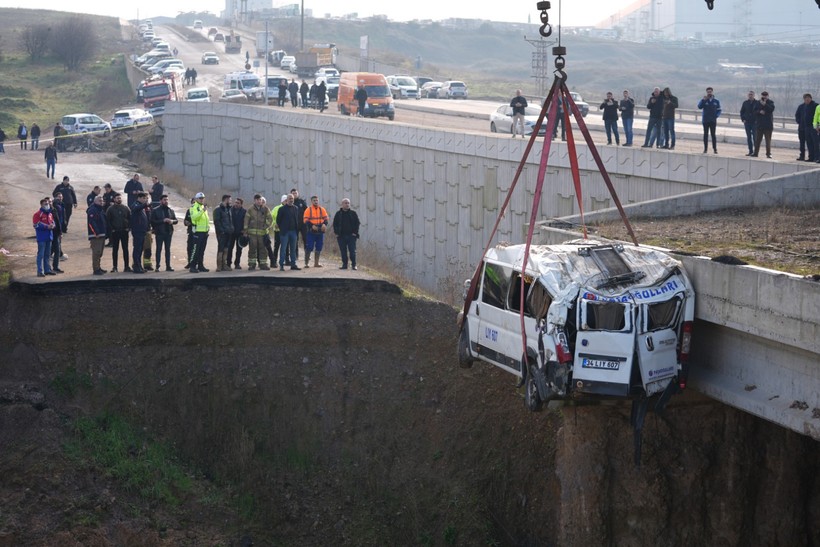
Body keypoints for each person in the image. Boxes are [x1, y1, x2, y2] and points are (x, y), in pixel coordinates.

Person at [242, 193, 272, 271]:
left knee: (263, 250)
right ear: (254, 200)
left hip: (262, 234)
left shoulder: (265, 209)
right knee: (252, 250)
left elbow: (270, 219)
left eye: (260, 200)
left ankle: (263, 264)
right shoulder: (250, 209)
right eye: (258, 200)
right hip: (252, 235)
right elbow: (246, 220)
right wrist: (245, 231)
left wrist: (265, 226)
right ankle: (252, 265)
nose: (259, 201)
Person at [150, 194, 178, 271]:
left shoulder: (170, 210)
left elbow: (176, 221)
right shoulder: (155, 210)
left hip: (168, 232)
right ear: (161, 201)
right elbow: (152, 221)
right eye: (164, 200)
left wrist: (172, 221)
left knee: (168, 250)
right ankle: (157, 266)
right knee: (159, 249)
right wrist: (162, 221)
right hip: (159, 233)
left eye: (167, 200)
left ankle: (168, 266)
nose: (166, 201)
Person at [332, 198, 360, 270]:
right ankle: (345, 265)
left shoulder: (353, 213)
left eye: (348, 203)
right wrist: (336, 233)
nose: (347, 204)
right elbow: (335, 224)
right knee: (343, 251)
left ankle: (354, 265)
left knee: (352, 251)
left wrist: (355, 233)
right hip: (341, 236)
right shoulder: (338, 214)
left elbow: (357, 223)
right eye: (345, 203)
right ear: (342, 204)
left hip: (351, 236)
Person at [106, 193, 131, 272]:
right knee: (115, 250)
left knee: (125, 249)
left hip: (124, 231)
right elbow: (108, 221)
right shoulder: (110, 209)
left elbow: (130, 218)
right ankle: (115, 267)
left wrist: (128, 228)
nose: (119, 199)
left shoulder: (126, 208)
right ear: (114, 199)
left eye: (120, 198)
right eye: (117, 198)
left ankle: (126, 266)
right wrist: (111, 229)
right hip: (115, 232)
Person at [276, 194, 301, 271]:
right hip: (285, 232)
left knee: (293, 249)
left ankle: (293, 264)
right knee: (283, 249)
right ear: (287, 200)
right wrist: (282, 229)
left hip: (293, 232)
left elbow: (297, 219)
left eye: (292, 198)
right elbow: (278, 220)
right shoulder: (282, 209)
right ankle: (281, 265)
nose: (291, 200)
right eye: (290, 198)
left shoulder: (296, 208)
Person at [33, 197, 56, 277]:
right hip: (42, 238)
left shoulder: (50, 214)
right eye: (45, 204)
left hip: (49, 237)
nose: (47, 205)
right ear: (41, 205)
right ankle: (39, 271)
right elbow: (36, 225)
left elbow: (53, 222)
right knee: (41, 255)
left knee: (47, 255)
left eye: (47, 204)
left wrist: (53, 226)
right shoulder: (37, 214)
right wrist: (47, 227)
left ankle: (47, 270)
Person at [303, 195, 329, 268]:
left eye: (317, 200)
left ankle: (316, 263)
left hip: (320, 231)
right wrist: (311, 226)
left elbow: (326, 218)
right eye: (314, 200)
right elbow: (305, 220)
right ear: (311, 201)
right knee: (309, 247)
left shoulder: (322, 209)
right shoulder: (308, 210)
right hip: (311, 232)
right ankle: (306, 263)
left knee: (319, 246)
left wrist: (325, 224)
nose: (316, 202)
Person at [129, 192, 151, 274]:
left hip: (142, 231)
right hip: (137, 231)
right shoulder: (136, 205)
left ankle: (139, 266)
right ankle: (136, 267)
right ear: (140, 198)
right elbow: (134, 209)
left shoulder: (141, 207)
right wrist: (145, 205)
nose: (146, 200)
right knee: (137, 249)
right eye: (145, 198)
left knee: (140, 249)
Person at [189, 192, 210, 273]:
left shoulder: (203, 207)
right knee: (195, 250)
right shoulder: (194, 207)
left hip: (204, 232)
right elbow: (194, 218)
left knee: (202, 250)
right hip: (198, 232)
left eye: (203, 198)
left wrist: (207, 228)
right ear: (196, 199)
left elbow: (206, 219)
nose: (202, 200)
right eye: (200, 198)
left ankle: (201, 266)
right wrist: (202, 211)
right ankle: (192, 266)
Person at [213, 194, 235, 271]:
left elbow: (230, 221)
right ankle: (219, 266)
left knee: (226, 249)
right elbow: (217, 222)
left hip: (229, 232)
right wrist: (221, 231)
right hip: (222, 233)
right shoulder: (218, 209)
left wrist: (232, 229)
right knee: (221, 249)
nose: (231, 201)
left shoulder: (229, 209)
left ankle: (224, 265)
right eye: (230, 200)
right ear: (226, 199)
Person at [87, 195, 107, 276]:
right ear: (95, 201)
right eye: (99, 201)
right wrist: (96, 233)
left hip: (102, 234)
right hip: (95, 236)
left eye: (102, 201)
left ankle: (98, 267)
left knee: (100, 252)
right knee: (96, 252)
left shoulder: (100, 210)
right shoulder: (92, 210)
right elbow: (91, 223)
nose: (101, 202)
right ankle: (96, 269)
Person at [697, 86, 721, 154]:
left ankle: (715, 149)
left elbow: (719, 110)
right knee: (705, 135)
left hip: (713, 120)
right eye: (708, 92)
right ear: (706, 92)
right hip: (705, 120)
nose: (709, 93)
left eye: (710, 92)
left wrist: (716, 116)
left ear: (712, 92)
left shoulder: (716, 101)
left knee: (713, 135)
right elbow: (699, 107)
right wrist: (703, 100)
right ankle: (705, 149)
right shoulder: (704, 100)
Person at [795, 93, 818, 162]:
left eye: (808, 98)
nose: (807, 100)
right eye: (805, 99)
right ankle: (804, 156)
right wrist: (799, 122)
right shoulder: (801, 106)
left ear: (811, 98)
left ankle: (816, 157)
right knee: (804, 143)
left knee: (814, 143)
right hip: (802, 128)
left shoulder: (815, 106)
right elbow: (797, 115)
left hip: (812, 127)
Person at [752, 91, 775, 159]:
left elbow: (771, 109)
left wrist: (765, 104)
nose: (764, 97)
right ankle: (755, 153)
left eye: (766, 95)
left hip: (768, 125)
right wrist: (759, 111)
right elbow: (754, 111)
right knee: (757, 140)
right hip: (760, 125)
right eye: (763, 95)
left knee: (768, 141)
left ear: (768, 96)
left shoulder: (770, 102)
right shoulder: (757, 103)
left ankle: (768, 153)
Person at [227, 197, 246, 269]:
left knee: (239, 250)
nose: (236, 204)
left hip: (240, 233)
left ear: (241, 204)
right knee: (230, 249)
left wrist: (244, 231)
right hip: (231, 233)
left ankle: (237, 263)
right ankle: (228, 263)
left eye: (238, 203)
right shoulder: (230, 210)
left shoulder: (244, 211)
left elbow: (246, 222)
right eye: (235, 202)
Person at [50, 193, 66, 274]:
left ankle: (55, 267)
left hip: (56, 233)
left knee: (56, 250)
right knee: (52, 250)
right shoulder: (55, 208)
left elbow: (58, 221)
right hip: (50, 233)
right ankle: (49, 268)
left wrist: (60, 232)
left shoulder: (55, 209)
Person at [270, 194, 288, 266]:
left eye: (287, 200)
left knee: (286, 246)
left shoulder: (289, 208)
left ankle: (287, 260)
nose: (286, 202)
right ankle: (274, 261)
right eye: (285, 201)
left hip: (286, 231)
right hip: (278, 230)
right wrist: (275, 224)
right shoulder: (276, 208)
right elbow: (272, 218)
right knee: (277, 246)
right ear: (282, 201)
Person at [740, 91, 757, 157]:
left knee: (755, 137)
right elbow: (742, 112)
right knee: (749, 137)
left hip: (754, 123)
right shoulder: (745, 103)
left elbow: (758, 112)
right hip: (747, 122)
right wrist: (743, 119)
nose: (750, 96)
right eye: (749, 94)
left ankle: (756, 151)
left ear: (754, 95)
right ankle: (750, 151)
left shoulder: (757, 103)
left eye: (752, 94)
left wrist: (757, 121)